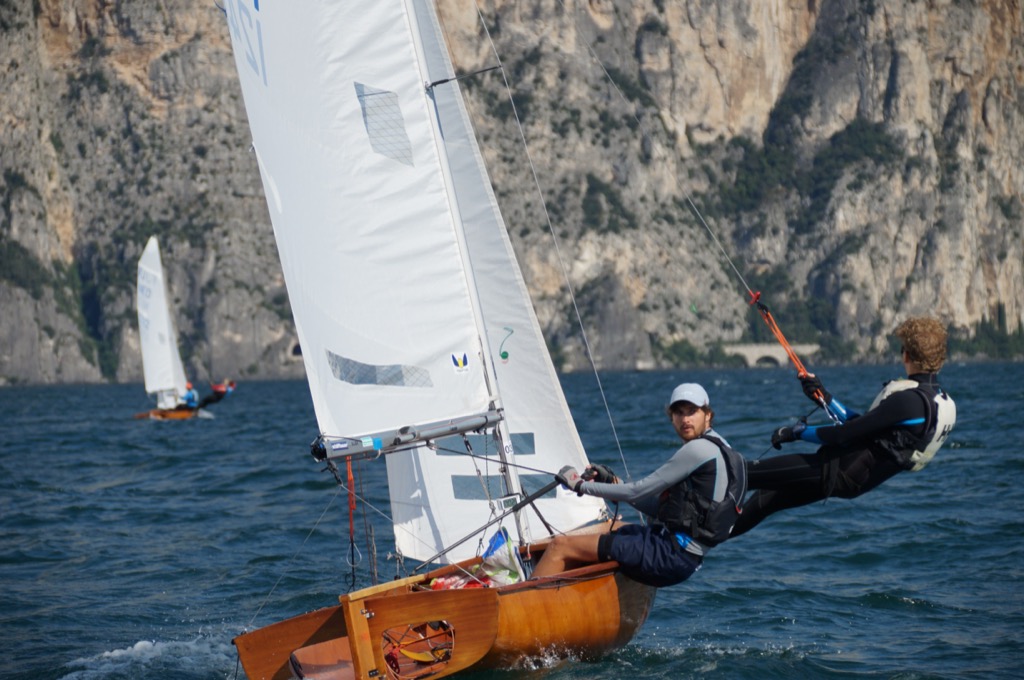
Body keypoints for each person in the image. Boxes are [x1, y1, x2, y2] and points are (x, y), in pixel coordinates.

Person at [729, 317, 957, 539]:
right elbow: (862, 425)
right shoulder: (937, 401)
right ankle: (711, 537)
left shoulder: (908, 401)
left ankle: (706, 526)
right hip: (856, 479)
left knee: (741, 474)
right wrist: (824, 398)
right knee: (767, 500)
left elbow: (842, 435)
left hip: (840, 470)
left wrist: (797, 433)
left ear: (906, 355)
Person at [530, 383, 747, 587]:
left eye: (692, 411)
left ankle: (526, 608)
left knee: (560, 546)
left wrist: (579, 485)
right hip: (684, 558)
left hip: (668, 554)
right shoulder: (722, 447)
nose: (685, 419)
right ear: (671, 417)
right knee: (612, 528)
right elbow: (660, 508)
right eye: (679, 413)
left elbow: (637, 491)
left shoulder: (697, 449)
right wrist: (613, 482)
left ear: (707, 415)